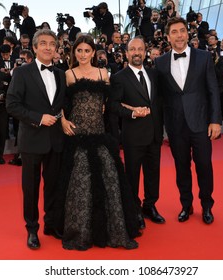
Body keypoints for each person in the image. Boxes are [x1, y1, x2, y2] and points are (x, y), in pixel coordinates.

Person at [56, 34, 140, 251]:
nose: (83, 55)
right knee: (80, 186)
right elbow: (60, 103)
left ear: (94, 53)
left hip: (100, 134)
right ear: (74, 52)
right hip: (77, 136)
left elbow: (111, 103)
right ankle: (80, 233)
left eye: (87, 51)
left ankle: (113, 231)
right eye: (79, 51)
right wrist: (63, 120)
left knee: (110, 181)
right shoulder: (69, 74)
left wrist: (132, 109)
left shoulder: (104, 73)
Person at [155, 17, 222, 224]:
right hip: (176, 126)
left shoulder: (204, 57)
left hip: (201, 123)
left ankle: (207, 206)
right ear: (168, 37)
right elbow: (159, 97)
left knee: (204, 166)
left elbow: (213, 91)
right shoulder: (160, 62)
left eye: (182, 31)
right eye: (174, 32)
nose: (179, 35)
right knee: (181, 167)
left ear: (187, 33)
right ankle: (186, 205)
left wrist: (215, 120)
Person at [6, 29, 66, 249]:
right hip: (32, 139)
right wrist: (39, 118)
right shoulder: (22, 73)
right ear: (34, 47)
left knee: (53, 186)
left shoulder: (60, 73)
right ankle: (32, 229)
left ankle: (51, 223)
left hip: (56, 140)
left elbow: (62, 105)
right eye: (43, 44)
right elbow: (12, 104)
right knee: (30, 188)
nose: (48, 47)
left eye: (52, 44)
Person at [110, 37, 165, 229]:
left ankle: (150, 206)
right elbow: (113, 105)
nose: (136, 53)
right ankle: (134, 210)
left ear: (145, 52)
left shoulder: (154, 74)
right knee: (132, 176)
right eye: (132, 49)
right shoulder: (118, 77)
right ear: (126, 53)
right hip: (133, 136)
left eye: (140, 49)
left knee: (153, 174)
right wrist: (132, 112)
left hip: (155, 135)